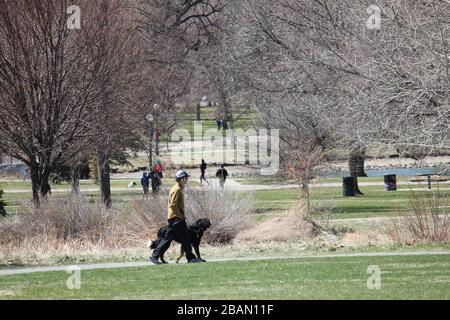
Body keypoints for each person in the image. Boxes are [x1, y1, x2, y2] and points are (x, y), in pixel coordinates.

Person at [149, 170, 203, 264]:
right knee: (185, 238)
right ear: (181, 179)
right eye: (186, 178)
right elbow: (173, 205)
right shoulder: (177, 189)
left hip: (174, 218)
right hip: (176, 219)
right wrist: (180, 216)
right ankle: (190, 258)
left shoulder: (178, 188)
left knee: (169, 238)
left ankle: (154, 256)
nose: (187, 179)